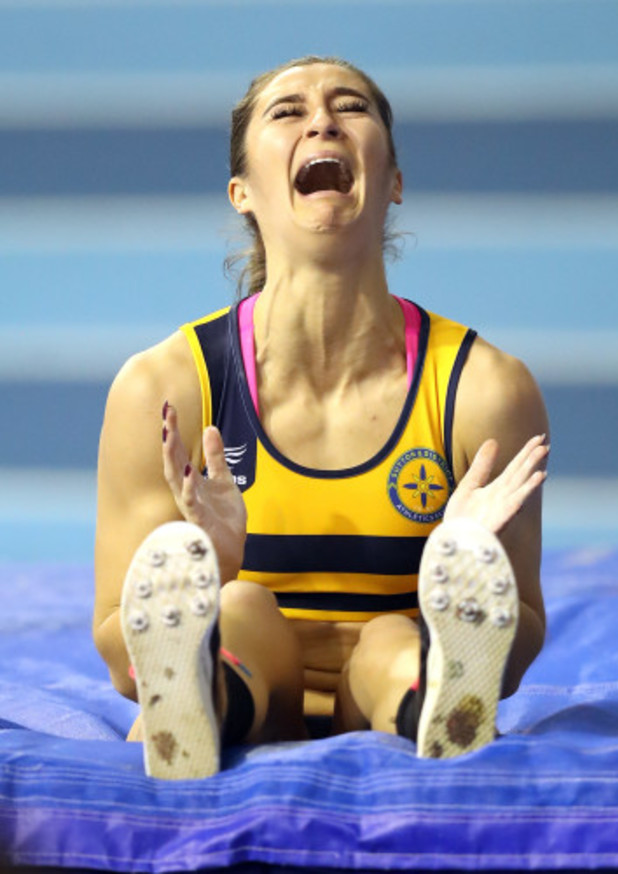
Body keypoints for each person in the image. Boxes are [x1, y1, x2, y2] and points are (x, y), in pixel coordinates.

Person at [93, 55, 549, 780]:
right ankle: (194, 693)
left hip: (383, 704)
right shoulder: (169, 387)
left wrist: (460, 552)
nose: (323, 120)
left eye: (351, 107)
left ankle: (437, 700)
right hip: (254, 692)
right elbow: (122, 655)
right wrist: (211, 567)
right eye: (288, 111)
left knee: (391, 642)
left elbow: (519, 637)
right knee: (240, 606)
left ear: (393, 182)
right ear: (241, 192)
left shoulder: (483, 390)